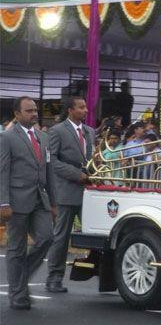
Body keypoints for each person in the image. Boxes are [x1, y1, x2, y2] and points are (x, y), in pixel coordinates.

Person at [0, 97, 54, 310]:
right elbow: (2, 171)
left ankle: (20, 277)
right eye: (29, 110)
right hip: (16, 201)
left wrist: (54, 201)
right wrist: (3, 203)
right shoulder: (7, 137)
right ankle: (18, 295)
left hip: (40, 199)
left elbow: (48, 171)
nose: (34, 113)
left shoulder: (42, 136)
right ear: (17, 114)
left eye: (35, 110)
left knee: (47, 238)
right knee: (17, 248)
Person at [45, 96, 94, 293]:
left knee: (96, 233)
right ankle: (54, 277)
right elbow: (52, 161)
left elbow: (91, 159)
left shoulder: (90, 131)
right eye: (81, 107)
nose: (85, 110)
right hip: (65, 191)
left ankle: (99, 272)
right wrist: (77, 175)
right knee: (61, 237)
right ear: (70, 110)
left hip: (88, 191)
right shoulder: (57, 131)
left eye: (85, 107)